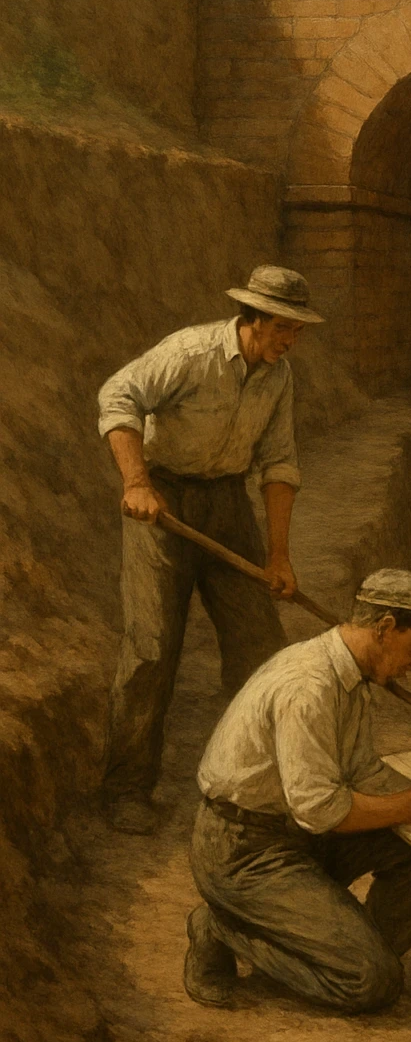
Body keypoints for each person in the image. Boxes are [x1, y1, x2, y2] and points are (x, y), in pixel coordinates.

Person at [97, 265, 323, 835]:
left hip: (227, 505)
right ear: (253, 318)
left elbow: (278, 463)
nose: (291, 340)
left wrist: (278, 557)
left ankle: (255, 784)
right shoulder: (190, 351)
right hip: (163, 503)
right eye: (284, 328)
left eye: (297, 330)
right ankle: (127, 788)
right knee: (150, 648)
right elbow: (118, 394)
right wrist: (136, 483)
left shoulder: (277, 377)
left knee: (259, 647)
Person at [184, 569, 411, 1013]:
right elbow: (319, 809)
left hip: (300, 839)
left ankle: (347, 950)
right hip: (244, 854)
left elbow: (361, 770)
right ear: (386, 627)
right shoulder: (308, 686)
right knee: (371, 984)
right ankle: (222, 926)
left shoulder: (354, 678)